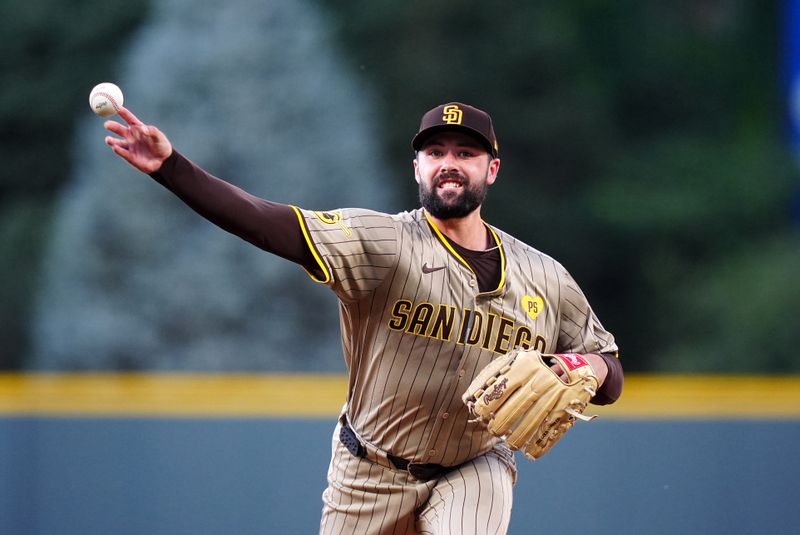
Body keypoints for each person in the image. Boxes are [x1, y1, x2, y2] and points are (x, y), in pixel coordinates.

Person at [104, 101, 623, 534]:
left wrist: (581, 368)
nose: (449, 162)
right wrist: (173, 169)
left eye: (466, 153)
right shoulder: (383, 241)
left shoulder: (545, 276)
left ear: (491, 169)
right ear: (415, 166)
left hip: (475, 465)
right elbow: (270, 225)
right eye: (435, 151)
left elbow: (608, 366)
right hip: (369, 472)